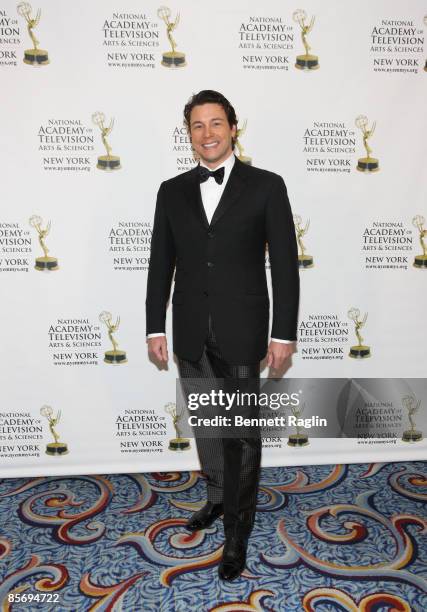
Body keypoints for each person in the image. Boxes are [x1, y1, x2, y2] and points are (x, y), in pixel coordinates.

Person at [146, 90, 299, 580]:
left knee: (240, 437)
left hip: (243, 330)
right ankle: (217, 497)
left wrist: (283, 335)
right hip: (190, 329)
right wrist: (154, 324)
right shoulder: (170, 191)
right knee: (208, 427)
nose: (207, 133)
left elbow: (288, 269)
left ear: (234, 128)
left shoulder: (267, 186)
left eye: (216, 123)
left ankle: (237, 533)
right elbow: (159, 264)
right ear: (188, 133)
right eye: (197, 125)